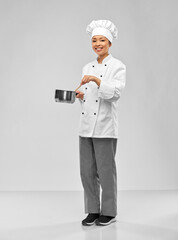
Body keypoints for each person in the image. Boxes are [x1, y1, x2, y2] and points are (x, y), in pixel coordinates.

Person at [76, 19, 126, 226]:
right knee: (87, 171)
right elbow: (89, 98)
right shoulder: (87, 66)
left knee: (106, 171)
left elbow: (114, 94)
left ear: (110, 43)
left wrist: (97, 81)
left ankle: (110, 212)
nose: (98, 44)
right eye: (94, 40)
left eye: (102, 40)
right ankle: (93, 210)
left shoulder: (118, 66)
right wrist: (80, 96)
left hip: (105, 127)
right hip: (86, 126)